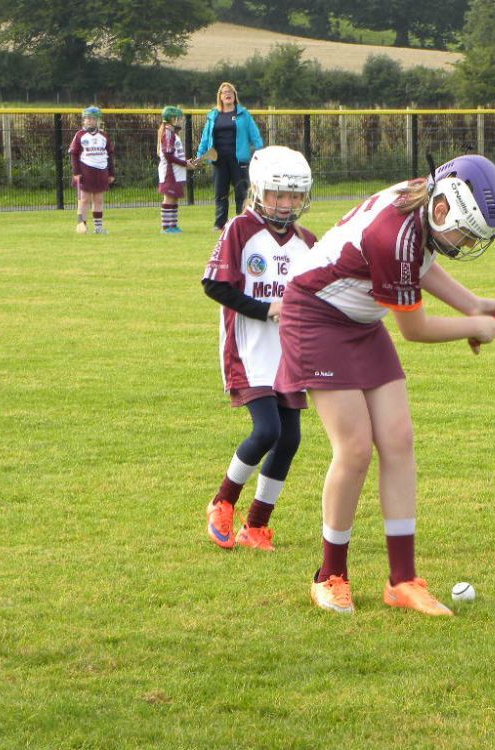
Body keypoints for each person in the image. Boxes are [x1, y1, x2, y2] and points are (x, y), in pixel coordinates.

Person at [276, 154, 495, 617]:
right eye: (466, 234)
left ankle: (402, 580)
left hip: (360, 320)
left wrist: (472, 303)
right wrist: (474, 327)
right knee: (354, 449)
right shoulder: (394, 234)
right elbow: (415, 328)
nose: (467, 244)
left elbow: (418, 264)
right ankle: (329, 575)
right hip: (315, 317)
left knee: (398, 439)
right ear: (442, 209)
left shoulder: (422, 201)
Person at [202, 146, 317, 551]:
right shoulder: (239, 230)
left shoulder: (307, 242)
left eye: (294, 196)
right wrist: (267, 309)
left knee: (290, 440)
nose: (286, 204)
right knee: (267, 430)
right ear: (259, 191)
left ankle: (256, 526)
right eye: (278, 195)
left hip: (289, 355)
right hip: (249, 351)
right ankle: (222, 501)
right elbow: (214, 285)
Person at [196, 82, 264, 231]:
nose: (228, 94)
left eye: (230, 92)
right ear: (220, 96)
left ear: (234, 96)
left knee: (242, 192)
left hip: (239, 160)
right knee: (220, 192)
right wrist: (199, 155)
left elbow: (255, 135)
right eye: (225, 92)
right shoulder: (213, 115)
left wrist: (260, 152)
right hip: (219, 160)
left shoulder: (244, 114)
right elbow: (205, 138)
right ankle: (220, 223)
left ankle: (243, 222)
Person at [69, 106, 114, 234]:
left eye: (93, 118)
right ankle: (82, 224)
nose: (90, 121)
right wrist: (76, 172)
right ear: (84, 120)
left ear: (98, 120)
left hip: (101, 171)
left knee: (98, 200)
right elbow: (74, 154)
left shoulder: (104, 136)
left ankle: (98, 228)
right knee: (84, 200)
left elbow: (110, 155)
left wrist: (111, 173)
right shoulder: (80, 135)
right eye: (87, 118)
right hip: (85, 171)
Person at [157, 106, 198, 234]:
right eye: (179, 119)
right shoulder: (168, 133)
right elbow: (168, 156)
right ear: (172, 119)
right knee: (169, 198)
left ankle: (173, 225)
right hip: (170, 173)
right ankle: (166, 227)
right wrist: (185, 163)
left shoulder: (173, 133)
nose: (181, 121)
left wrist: (187, 162)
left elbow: (176, 154)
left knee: (174, 198)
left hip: (177, 172)